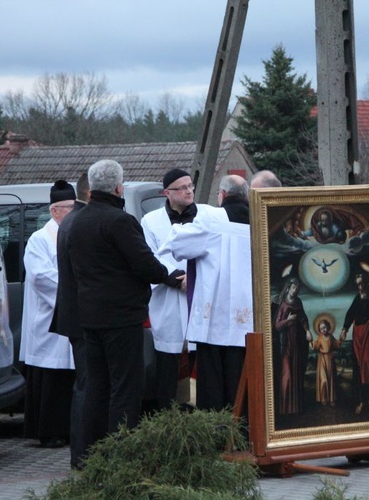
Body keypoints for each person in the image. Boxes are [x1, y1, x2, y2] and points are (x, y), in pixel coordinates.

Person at [67, 160, 177, 455]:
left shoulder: (78, 220)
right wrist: (169, 275)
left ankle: (91, 453)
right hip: (121, 317)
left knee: (97, 388)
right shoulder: (119, 221)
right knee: (126, 389)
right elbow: (145, 264)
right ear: (119, 187)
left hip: (90, 317)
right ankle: (122, 454)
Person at [157, 174, 252, 412]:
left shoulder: (212, 218)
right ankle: (245, 430)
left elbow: (176, 245)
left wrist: (180, 225)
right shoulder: (262, 217)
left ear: (221, 195)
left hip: (216, 316)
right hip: (249, 316)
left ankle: (218, 431)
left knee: (214, 379)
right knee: (242, 375)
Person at [141, 168, 207, 409]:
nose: (189, 191)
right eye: (183, 187)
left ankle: (197, 415)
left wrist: (194, 277)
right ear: (167, 193)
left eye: (191, 186)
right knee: (169, 363)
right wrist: (178, 278)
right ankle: (168, 418)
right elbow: (149, 256)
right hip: (168, 297)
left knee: (197, 360)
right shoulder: (150, 221)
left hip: (199, 297)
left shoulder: (204, 216)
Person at [20, 180, 77, 449]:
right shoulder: (40, 239)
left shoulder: (75, 233)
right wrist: (76, 287)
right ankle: (48, 431)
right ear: (55, 211)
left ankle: (68, 429)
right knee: (51, 377)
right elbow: (41, 277)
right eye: (69, 207)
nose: (74, 212)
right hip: (47, 318)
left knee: (69, 378)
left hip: (71, 315)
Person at [49, 172, 89, 468]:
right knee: (86, 385)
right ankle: (82, 452)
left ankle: (81, 452)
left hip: (78, 314)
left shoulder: (70, 225)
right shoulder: (78, 225)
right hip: (85, 316)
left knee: (84, 384)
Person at [339, 273, 369, 415]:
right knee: (359, 366)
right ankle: (362, 401)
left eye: (362, 284)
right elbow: (350, 313)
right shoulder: (357, 298)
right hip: (358, 333)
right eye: (358, 284)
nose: (360, 287)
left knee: (367, 363)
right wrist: (344, 329)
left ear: (365, 283)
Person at [274, 277, 313, 414]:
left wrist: (307, 330)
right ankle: (284, 408)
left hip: (298, 343)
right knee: (287, 374)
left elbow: (303, 318)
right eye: (293, 288)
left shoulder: (298, 302)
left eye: (297, 289)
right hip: (286, 344)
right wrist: (288, 320)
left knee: (296, 374)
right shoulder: (283, 305)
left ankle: (295, 407)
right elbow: (277, 326)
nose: (295, 290)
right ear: (288, 288)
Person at [310, 317, 340, 407]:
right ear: (319, 330)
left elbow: (337, 345)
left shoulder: (330, 336)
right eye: (321, 328)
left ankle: (331, 399)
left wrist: (341, 339)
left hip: (330, 359)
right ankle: (323, 398)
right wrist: (310, 341)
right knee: (323, 381)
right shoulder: (319, 338)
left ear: (328, 327)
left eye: (325, 327)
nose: (323, 330)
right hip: (322, 360)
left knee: (331, 379)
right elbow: (315, 347)